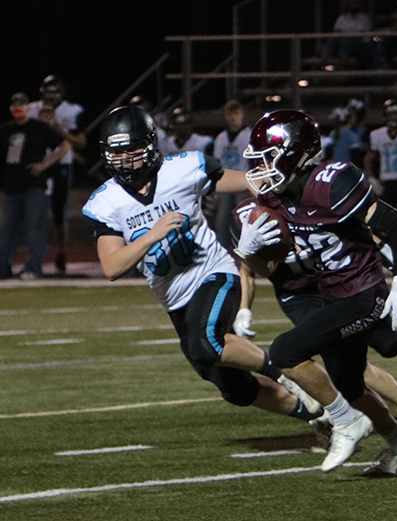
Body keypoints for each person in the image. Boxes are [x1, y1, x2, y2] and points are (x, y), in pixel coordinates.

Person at [82, 106, 326, 444]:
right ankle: (319, 415)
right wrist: (152, 234)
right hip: (174, 297)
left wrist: (284, 208)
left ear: (151, 145)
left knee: (206, 343)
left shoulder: (183, 169)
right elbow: (112, 267)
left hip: (213, 273)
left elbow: (250, 183)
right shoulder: (106, 202)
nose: (124, 159)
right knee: (233, 388)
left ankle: (286, 372)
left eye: (131, 149)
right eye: (116, 151)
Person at [236, 109, 397, 474]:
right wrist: (247, 252)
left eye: (268, 158)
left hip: (363, 292)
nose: (261, 169)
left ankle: (347, 422)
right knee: (348, 382)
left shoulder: (331, 182)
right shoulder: (272, 201)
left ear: (295, 152)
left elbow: (396, 225)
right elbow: (267, 271)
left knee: (285, 351)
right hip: (331, 292)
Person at [0, 92, 71, 280]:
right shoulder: (6, 130)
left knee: (35, 227)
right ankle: (3, 268)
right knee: (7, 229)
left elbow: (64, 146)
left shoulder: (38, 128)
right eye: (14, 105)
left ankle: (33, 268)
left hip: (34, 184)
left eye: (21, 105)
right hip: (11, 185)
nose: (18, 108)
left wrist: (45, 165)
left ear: (28, 107)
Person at [26, 75, 86, 275]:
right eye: (48, 92)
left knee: (59, 214)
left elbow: (81, 142)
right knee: (35, 213)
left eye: (55, 92)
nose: (51, 96)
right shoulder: (31, 109)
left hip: (60, 165)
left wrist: (59, 130)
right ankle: (35, 255)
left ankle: (61, 252)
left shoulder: (71, 111)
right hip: (37, 164)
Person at [212, 100, 252, 251]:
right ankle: (222, 252)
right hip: (225, 181)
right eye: (230, 114)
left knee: (242, 221)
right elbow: (216, 162)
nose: (233, 117)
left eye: (236, 113)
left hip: (243, 182)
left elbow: (254, 162)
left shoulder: (249, 136)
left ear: (242, 114)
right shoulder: (221, 138)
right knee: (222, 220)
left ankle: (245, 253)